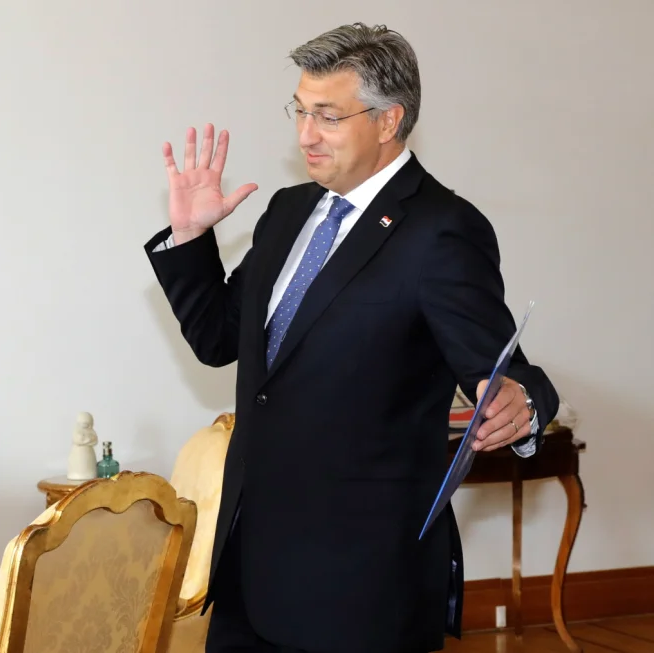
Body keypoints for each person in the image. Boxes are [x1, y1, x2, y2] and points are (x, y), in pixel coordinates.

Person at [145, 23, 558, 653]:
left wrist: (523, 404)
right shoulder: (286, 211)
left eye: (328, 117)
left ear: (388, 121)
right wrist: (191, 238)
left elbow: (505, 367)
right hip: (249, 566)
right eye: (301, 112)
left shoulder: (441, 230)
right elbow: (217, 340)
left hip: (360, 586)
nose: (305, 135)